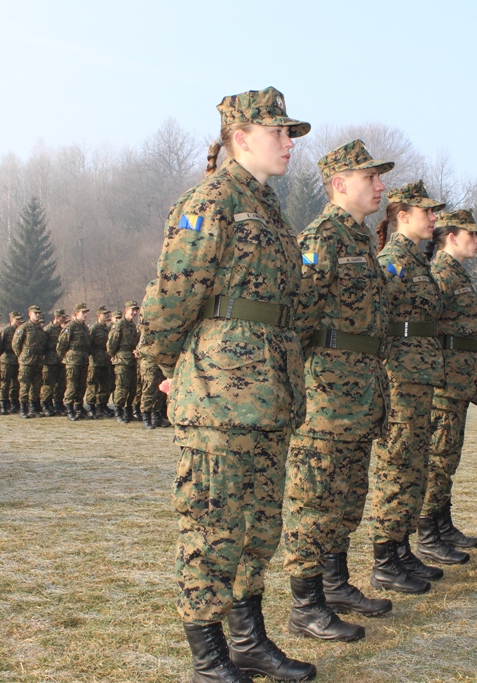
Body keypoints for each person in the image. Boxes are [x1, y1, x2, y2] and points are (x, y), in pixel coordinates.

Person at [140, 86, 315, 683]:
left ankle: (248, 639)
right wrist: (165, 367)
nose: (289, 144)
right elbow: (172, 293)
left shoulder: (266, 207)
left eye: (290, 134)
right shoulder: (212, 200)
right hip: (218, 392)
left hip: (268, 394)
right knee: (212, 524)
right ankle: (208, 658)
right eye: (278, 133)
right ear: (241, 138)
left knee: (259, 524)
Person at [279, 140, 395, 643]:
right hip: (327, 394)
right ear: (339, 183)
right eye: (371, 177)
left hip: (360, 390)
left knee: (347, 496)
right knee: (315, 498)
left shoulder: (362, 239)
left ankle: (335, 585)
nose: (380, 186)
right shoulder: (321, 237)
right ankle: (306, 605)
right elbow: (298, 317)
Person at [365, 179, 447, 597]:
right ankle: (384, 558)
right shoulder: (393, 261)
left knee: (414, 463)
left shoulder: (417, 261)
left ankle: (399, 548)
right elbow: (378, 316)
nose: (434, 219)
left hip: (418, 376)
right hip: (400, 376)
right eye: (427, 212)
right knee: (397, 463)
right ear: (403, 217)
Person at [419, 209, 477, 567]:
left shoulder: (456, 274)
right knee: (438, 457)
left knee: (449, 456)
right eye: (472, 234)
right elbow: (425, 326)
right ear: (451, 237)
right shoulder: (440, 275)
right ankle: (428, 533)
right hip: (445, 381)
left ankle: (442, 524)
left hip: (458, 381)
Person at [57, 303, 92, 421]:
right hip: (73, 360)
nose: (85, 315)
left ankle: (78, 407)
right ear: (76, 313)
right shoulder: (70, 326)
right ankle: (69, 408)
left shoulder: (85, 327)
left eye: (86, 312)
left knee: (82, 385)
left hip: (83, 359)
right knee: (72, 384)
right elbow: (61, 345)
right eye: (83, 312)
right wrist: (64, 358)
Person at [107, 301, 141, 423]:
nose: (134, 312)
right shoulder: (119, 325)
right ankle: (118, 412)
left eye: (136, 310)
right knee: (121, 386)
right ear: (126, 309)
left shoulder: (132, 326)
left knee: (132, 388)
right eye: (132, 310)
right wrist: (114, 356)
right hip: (121, 359)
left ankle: (128, 411)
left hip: (131, 360)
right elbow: (111, 344)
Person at [12, 305, 48, 418]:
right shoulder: (24, 327)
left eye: (39, 313)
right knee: (24, 386)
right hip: (26, 362)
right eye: (35, 313)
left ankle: (33, 408)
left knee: (36, 386)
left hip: (37, 362)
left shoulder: (40, 329)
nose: (37, 315)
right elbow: (15, 344)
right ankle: (23, 409)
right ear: (29, 314)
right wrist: (22, 356)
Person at [86, 307, 112, 419]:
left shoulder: (107, 328)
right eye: (104, 314)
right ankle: (91, 406)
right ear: (98, 315)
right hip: (95, 360)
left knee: (104, 384)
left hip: (105, 360)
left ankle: (101, 405)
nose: (106, 316)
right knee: (93, 384)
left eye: (107, 314)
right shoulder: (94, 328)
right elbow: (89, 344)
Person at [41, 309, 68, 417]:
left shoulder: (63, 329)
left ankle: (58, 403)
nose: (64, 319)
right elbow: (43, 345)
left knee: (60, 384)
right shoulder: (48, 330)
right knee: (48, 384)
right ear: (57, 317)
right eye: (62, 317)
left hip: (60, 360)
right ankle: (46, 404)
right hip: (50, 360)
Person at [0, 311, 22, 415]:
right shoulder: (6, 330)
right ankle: (4, 404)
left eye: (19, 319)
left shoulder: (20, 330)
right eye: (16, 319)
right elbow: (1, 345)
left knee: (15, 384)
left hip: (17, 359)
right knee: (5, 383)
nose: (19, 321)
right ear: (11, 320)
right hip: (7, 359)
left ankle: (14, 404)